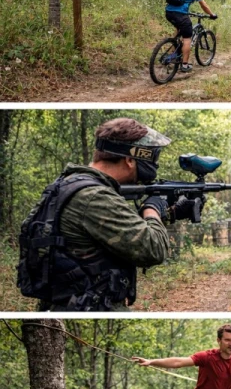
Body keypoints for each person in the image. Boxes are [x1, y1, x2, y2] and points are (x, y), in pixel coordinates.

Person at [17, 118, 199, 311]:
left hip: (72, 303)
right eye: (151, 159)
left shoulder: (69, 183)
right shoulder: (94, 196)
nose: (154, 166)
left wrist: (170, 212)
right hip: (88, 306)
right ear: (129, 160)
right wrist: (153, 207)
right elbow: (152, 250)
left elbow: (116, 233)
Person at [164, 0, 217, 73]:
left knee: (179, 28)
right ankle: (184, 65)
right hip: (181, 15)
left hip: (168, 12)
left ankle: (173, 53)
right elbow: (204, 6)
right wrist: (212, 14)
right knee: (187, 38)